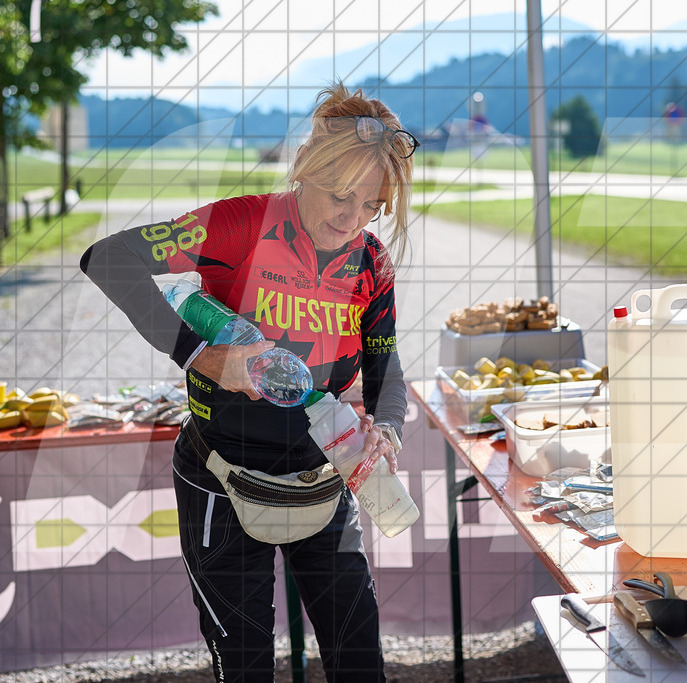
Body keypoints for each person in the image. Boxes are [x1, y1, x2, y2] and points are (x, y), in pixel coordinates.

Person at [80, 81, 418, 681]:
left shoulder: (371, 261)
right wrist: (201, 356)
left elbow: (386, 368)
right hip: (222, 477)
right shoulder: (240, 224)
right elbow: (110, 258)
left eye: (373, 206)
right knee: (244, 667)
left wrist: (386, 430)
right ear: (304, 171)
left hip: (323, 476)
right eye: (342, 196)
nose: (353, 220)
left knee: (359, 659)